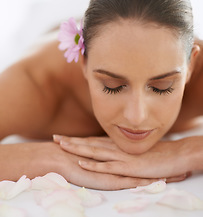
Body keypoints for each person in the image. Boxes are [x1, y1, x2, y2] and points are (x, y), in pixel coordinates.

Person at [0, 0, 202, 190]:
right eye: (112, 85)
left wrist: (187, 151)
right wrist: (53, 158)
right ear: (84, 63)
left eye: (162, 87)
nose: (136, 116)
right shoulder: (34, 83)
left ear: (191, 64)